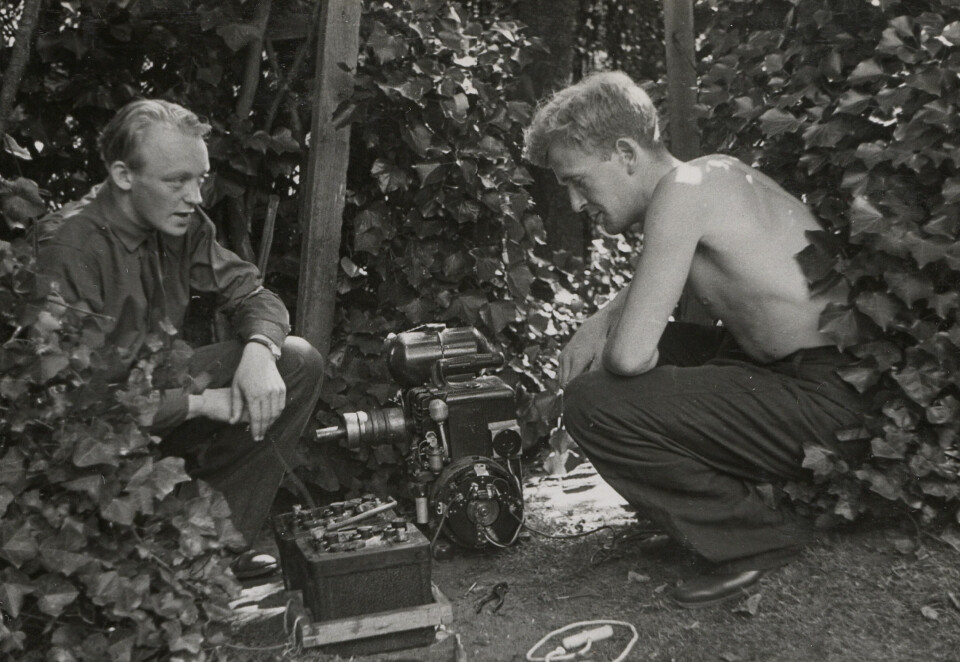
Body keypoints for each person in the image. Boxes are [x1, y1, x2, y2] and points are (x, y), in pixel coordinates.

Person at [523, 72, 867, 608]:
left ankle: (756, 539)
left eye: (578, 181)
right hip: (797, 373)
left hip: (825, 397)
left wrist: (618, 341)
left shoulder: (681, 196)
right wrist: (599, 320)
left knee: (593, 398)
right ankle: (706, 511)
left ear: (625, 153)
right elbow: (650, 287)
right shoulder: (708, 178)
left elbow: (631, 358)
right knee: (626, 363)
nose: (572, 204)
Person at [36, 99, 324, 580]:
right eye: (177, 181)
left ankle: (211, 547)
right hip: (86, 442)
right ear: (124, 176)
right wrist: (197, 403)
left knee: (295, 361)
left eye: (200, 178)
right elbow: (70, 404)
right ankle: (141, 561)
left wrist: (259, 350)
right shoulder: (69, 248)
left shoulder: (180, 224)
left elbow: (253, 293)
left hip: (154, 404)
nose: (195, 197)